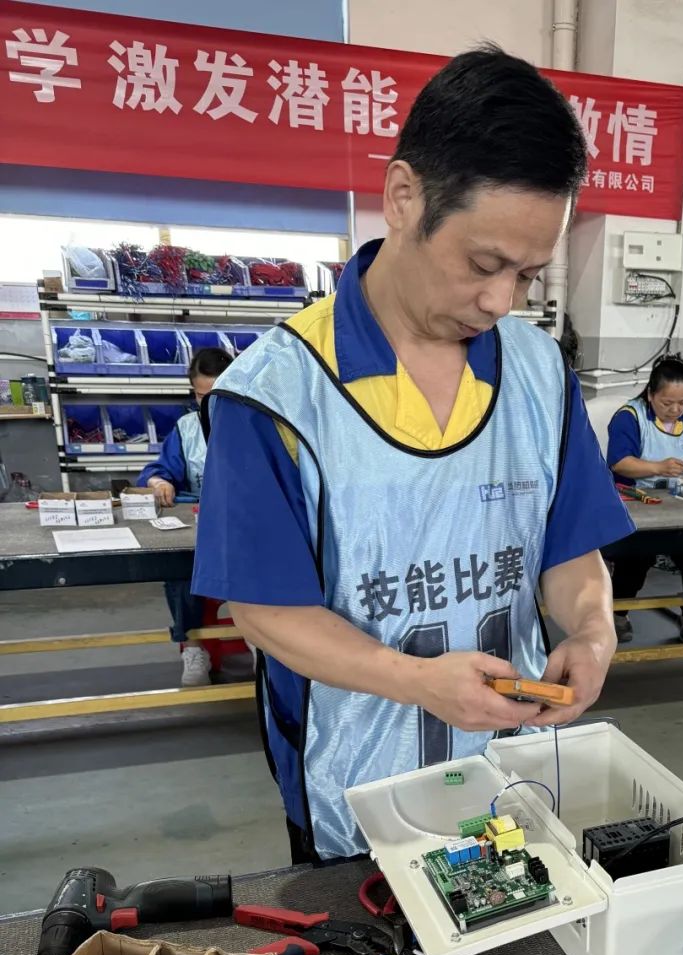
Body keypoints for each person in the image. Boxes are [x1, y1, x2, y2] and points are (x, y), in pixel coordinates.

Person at [192, 46, 633, 864]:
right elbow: (263, 611)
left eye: (529, 276)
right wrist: (417, 681)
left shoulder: (538, 373)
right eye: (484, 264)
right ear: (404, 198)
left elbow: (570, 551)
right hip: (352, 787)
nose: (500, 301)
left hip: (511, 775)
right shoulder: (276, 395)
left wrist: (592, 630)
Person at [605, 355, 683, 643]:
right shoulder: (629, 417)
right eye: (667, 403)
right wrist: (657, 467)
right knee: (635, 559)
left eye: (682, 403)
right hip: (639, 503)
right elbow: (619, 462)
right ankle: (618, 615)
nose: (676, 410)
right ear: (651, 395)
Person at [137, 346, 233, 686]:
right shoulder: (186, 429)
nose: (208, 405)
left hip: (245, 530)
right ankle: (193, 647)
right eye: (200, 396)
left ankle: (262, 643)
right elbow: (158, 469)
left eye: (217, 396)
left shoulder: (257, 425)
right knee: (179, 568)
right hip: (199, 529)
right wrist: (158, 481)